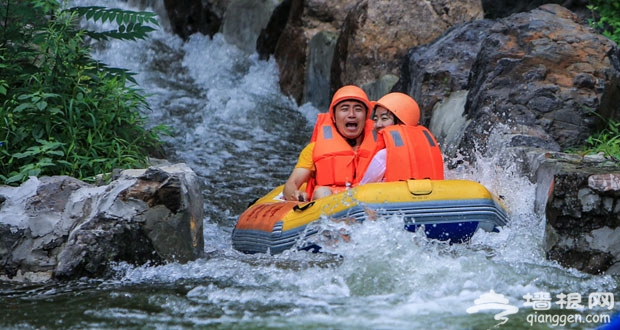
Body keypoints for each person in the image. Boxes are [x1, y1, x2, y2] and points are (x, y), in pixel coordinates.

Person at [283, 85, 377, 201]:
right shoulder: (314, 149)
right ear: (334, 117)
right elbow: (291, 184)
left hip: (369, 202)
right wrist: (295, 195)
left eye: (358, 109)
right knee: (322, 192)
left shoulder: (380, 148)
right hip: (329, 204)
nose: (351, 114)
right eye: (344, 109)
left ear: (366, 116)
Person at [360, 92, 444, 184]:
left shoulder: (383, 155)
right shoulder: (430, 150)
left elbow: (363, 187)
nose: (377, 124)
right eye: (375, 119)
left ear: (401, 122)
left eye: (384, 119)